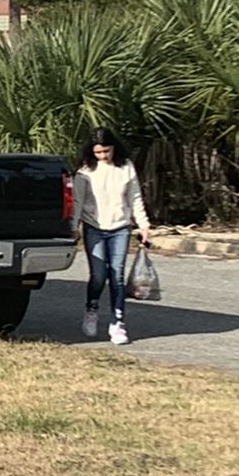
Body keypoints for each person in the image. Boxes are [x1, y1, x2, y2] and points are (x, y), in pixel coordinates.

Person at [72, 127, 151, 344]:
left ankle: (118, 323)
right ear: (92, 151)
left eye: (107, 151)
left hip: (120, 227)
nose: (103, 156)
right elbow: (78, 202)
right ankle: (91, 309)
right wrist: (73, 226)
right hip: (93, 227)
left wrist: (143, 226)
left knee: (116, 274)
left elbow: (135, 198)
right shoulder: (85, 172)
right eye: (98, 152)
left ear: (114, 148)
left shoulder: (126, 167)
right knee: (99, 275)